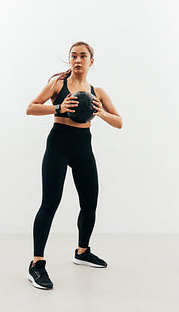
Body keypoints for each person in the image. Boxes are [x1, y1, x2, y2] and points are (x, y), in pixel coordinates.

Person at [25, 41, 123, 290]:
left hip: (83, 148)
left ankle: (82, 252)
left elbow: (119, 121)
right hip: (58, 144)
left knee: (90, 203)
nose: (77, 60)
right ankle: (37, 264)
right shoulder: (58, 85)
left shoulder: (98, 92)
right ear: (70, 60)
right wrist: (58, 107)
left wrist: (100, 113)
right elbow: (30, 108)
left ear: (91, 61)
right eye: (73, 56)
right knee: (50, 203)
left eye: (83, 56)